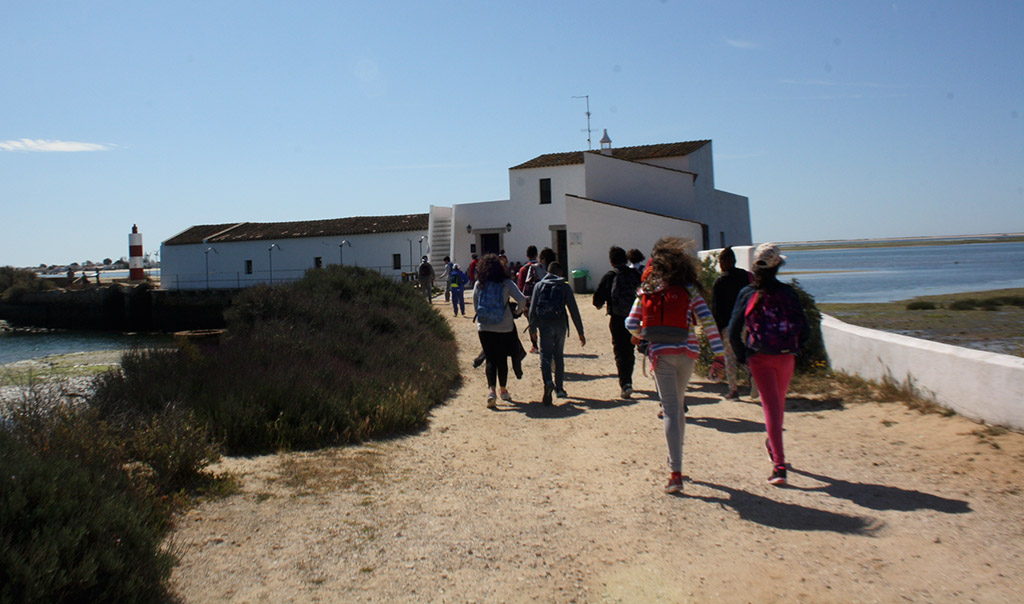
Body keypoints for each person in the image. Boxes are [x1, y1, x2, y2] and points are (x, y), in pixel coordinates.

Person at [626, 237, 725, 494]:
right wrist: (719, 355)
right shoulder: (690, 289)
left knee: (669, 409)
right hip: (688, 352)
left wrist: (641, 334)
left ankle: (675, 472)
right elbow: (709, 322)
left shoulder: (648, 288)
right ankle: (677, 462)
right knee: (678, 405)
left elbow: (630, 323)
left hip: (660, 353)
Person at [727, 242, 809, 487]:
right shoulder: (788, 293)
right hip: (786, 356)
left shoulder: (747, 293)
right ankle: (776, 451)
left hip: (760, 356)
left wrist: (743, 356)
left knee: (772, 409)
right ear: (778, 267)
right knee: (777, 407)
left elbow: (733, 330)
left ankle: (779, 466)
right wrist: (796, 349)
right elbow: (805, 328)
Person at [474, 253, 528, 408]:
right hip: (504, 326)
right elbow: (522, 299)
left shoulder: (480, 284)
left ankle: (491, 391)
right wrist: (516, 312)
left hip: (484, 327)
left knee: (490, 358)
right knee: (502, 359)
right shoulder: (506, 283)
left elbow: (476, 304)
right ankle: (503, 390)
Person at [528, 261, 585, 405]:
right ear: (560, 273)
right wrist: (580, 332)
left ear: (547, 271)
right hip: (560, 325)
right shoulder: (564, 286)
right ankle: (559, 388)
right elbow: (573, 310)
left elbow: (532, 310)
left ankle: (547, 381)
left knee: (545, 357)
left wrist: (532, 330)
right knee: (558, 356)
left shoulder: (539, 286)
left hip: (545, 326)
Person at [593, 246, 641, 399]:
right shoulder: (635, 274)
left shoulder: (610, 276)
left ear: (611, 261)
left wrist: (600, 304)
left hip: (617, 318)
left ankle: (625, 383)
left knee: (620, 350)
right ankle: (629, 379)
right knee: (630, 349)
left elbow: (597, 299)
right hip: (635, 317)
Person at [711, 247, 753, 399]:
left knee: (730, 358)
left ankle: (733, 389)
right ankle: (753, 377)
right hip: (747, 323)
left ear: (724, 262)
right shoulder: (745, 276)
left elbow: (716, 309)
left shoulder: (720, 281)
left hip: (728, 326)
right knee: (745, 353)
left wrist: (717, 330)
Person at [517, 245, 546, 354]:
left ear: (527, 255)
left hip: (529, 300)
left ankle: (535, 346)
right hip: (542, 299)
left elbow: (520, 286)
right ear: (537, 254)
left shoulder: (524, 269)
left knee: (531, 323)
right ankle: (545, 344)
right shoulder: (541, 267)